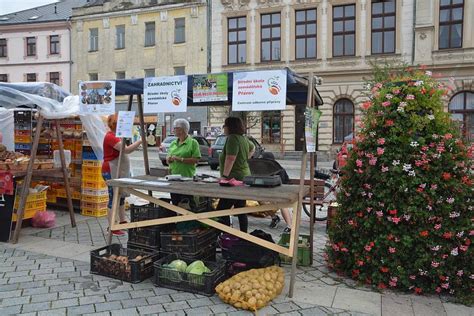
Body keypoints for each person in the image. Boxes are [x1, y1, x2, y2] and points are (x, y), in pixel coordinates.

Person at [102, 114, 142, 236]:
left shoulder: (117, 136)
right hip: (110, 170)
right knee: (114, 197)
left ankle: (122, 221)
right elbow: (127, 150)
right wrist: (140, 140)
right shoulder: (111, 137)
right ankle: (112, 226)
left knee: (121, 196)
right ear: (115, 125)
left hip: (118, 170)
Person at [217, 117, 255, 233]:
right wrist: (245, 158)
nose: (224, 128)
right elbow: (253, 148)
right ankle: (243, 236)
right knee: (240, 209)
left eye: (224, 125)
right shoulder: (243, 138)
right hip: (244, 177)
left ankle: (226, 234)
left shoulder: (232, 138)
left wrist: (224, 176)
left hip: (233, 180)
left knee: (221, 210)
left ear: (229, 127)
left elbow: (230, 158)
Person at [166, 118, 201, 207]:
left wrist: (180, 159)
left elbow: (196, 160)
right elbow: (167, 158)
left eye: (175, 128)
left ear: (181, 129)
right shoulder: (173, 143)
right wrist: (169, 159)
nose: (173, 130)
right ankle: (177, 220)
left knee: (186, 204)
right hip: (173, 178)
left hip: (186, 179)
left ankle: (185, 221)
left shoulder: (193, 143)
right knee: (175, 203)